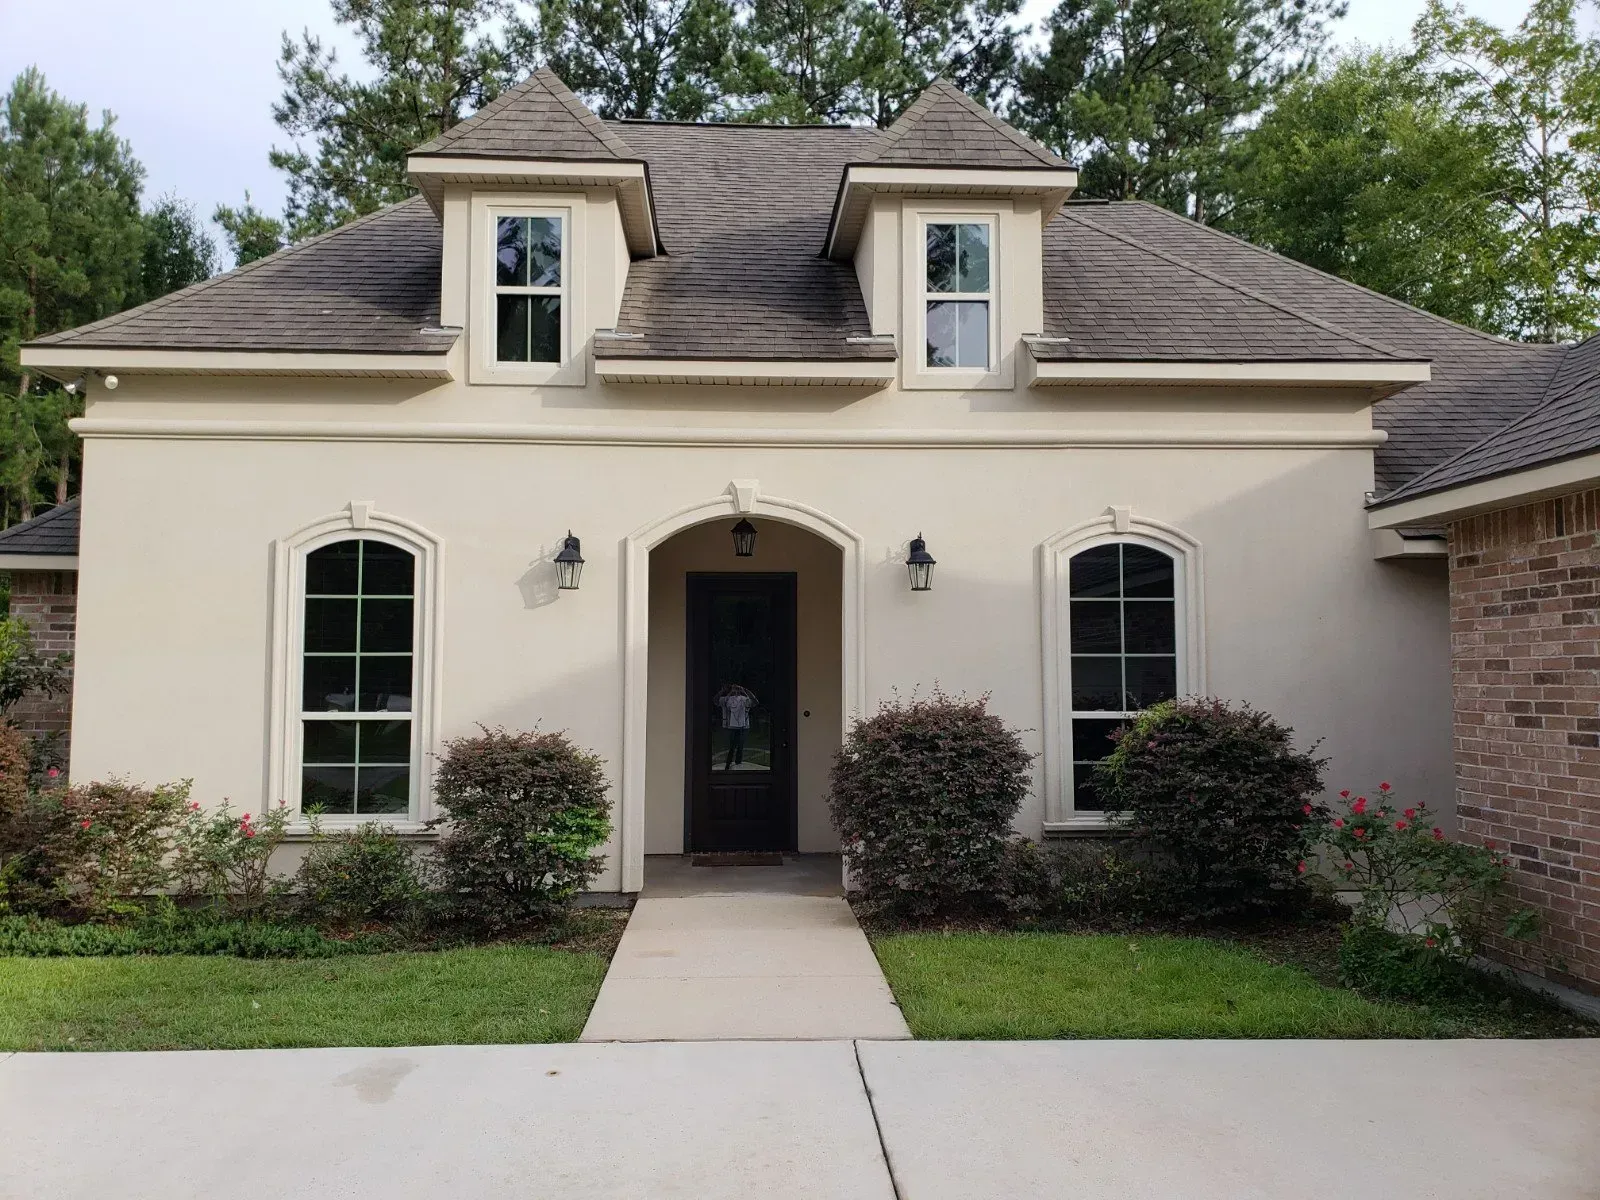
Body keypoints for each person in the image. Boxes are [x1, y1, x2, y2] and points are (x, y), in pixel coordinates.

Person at [714, 683, 758, 770]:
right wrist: (725, 692)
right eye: (734, 689)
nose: (736, 691)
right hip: (731, 727)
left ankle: (738, 765)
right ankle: (728, 764)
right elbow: (716, 700)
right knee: (731, 747)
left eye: (737, 689)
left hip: (743, 727)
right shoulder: (726, 699)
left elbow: (755, 702)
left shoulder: (744, 699)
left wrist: (745, 691)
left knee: (740, 747)